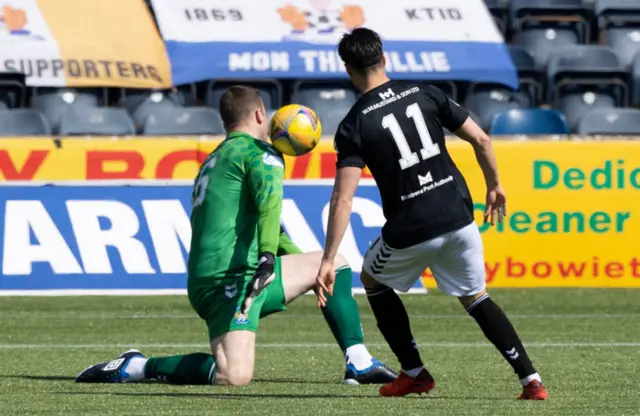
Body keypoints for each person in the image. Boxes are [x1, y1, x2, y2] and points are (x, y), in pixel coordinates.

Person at [75, 85, 396, 386]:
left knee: (332, 264)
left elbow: (268, 224)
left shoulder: (213, 160)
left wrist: (309, 273)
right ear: (260, 114)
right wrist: (268, 258)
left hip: (220, 277)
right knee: (233, 376)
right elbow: (271, 208)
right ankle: (137, 366)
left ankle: (358, 360)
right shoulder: (262, 153)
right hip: (235, 280)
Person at [315, 28, 548, 400]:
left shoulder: (353, 124)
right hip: (459, 216)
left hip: (412, 227)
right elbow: (482, 139)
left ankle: (413, 372)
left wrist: (328, 258)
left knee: (372, 279)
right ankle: (531, 380)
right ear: (384, 57)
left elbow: (343, 199)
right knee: (476, 297)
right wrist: (494, 185)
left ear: (348, 69)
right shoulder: (424, 92)